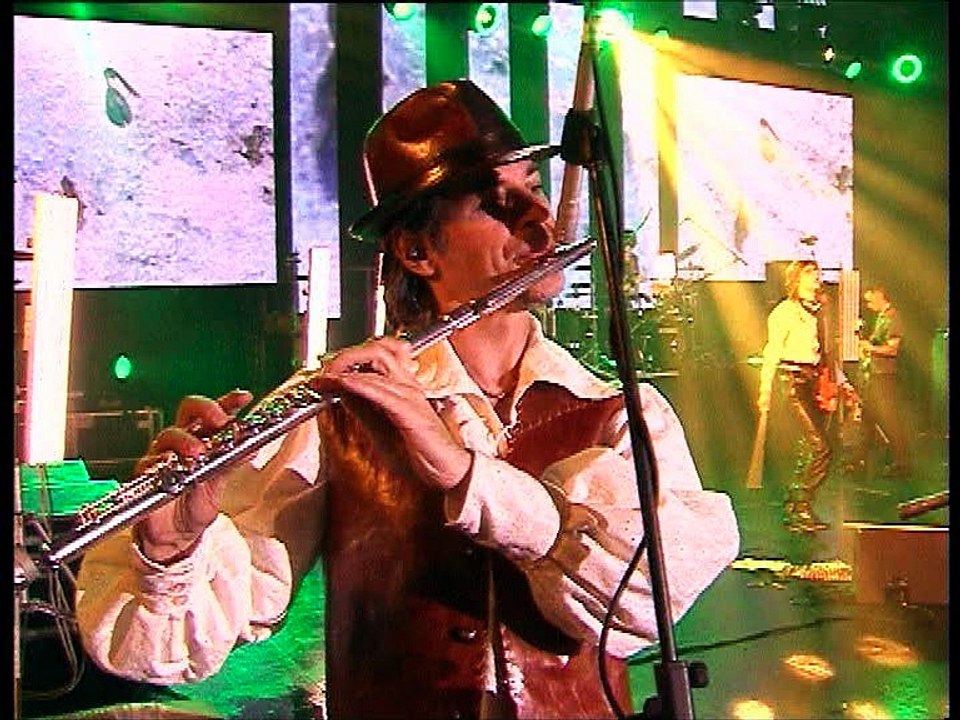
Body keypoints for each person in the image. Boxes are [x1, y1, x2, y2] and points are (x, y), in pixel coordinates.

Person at [73, 79, 740, 720]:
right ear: (418, 250)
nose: (539, 220)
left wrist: (466, 475)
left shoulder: (621, 412)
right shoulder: (339, 407)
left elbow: (649, 603)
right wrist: (173, 549)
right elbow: (187, 632)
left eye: (533, 188)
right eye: (496, 202)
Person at [757, 259, 835, 533]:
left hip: (812, 381)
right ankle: (801, 504)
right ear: (796, 279)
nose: (816, 277)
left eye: (817, 272)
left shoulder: (818, 312)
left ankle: (796, 507)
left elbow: (822, 352)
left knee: (808, 449)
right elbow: (772, 350)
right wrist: (765, 389)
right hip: (792, 382)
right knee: (820, 448)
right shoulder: (785, 312)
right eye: (809, 273)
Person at [858, 284, 909, 477]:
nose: (868, 305)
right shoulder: (881, 317)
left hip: (885, 375)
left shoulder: (892, 317)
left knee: (890, 419)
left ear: (880, 294)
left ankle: (902, 462)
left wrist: (869, 348)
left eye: (870, 300)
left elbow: (892, 349)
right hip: (876, 374)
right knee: (868, 418)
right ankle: (859, 459)